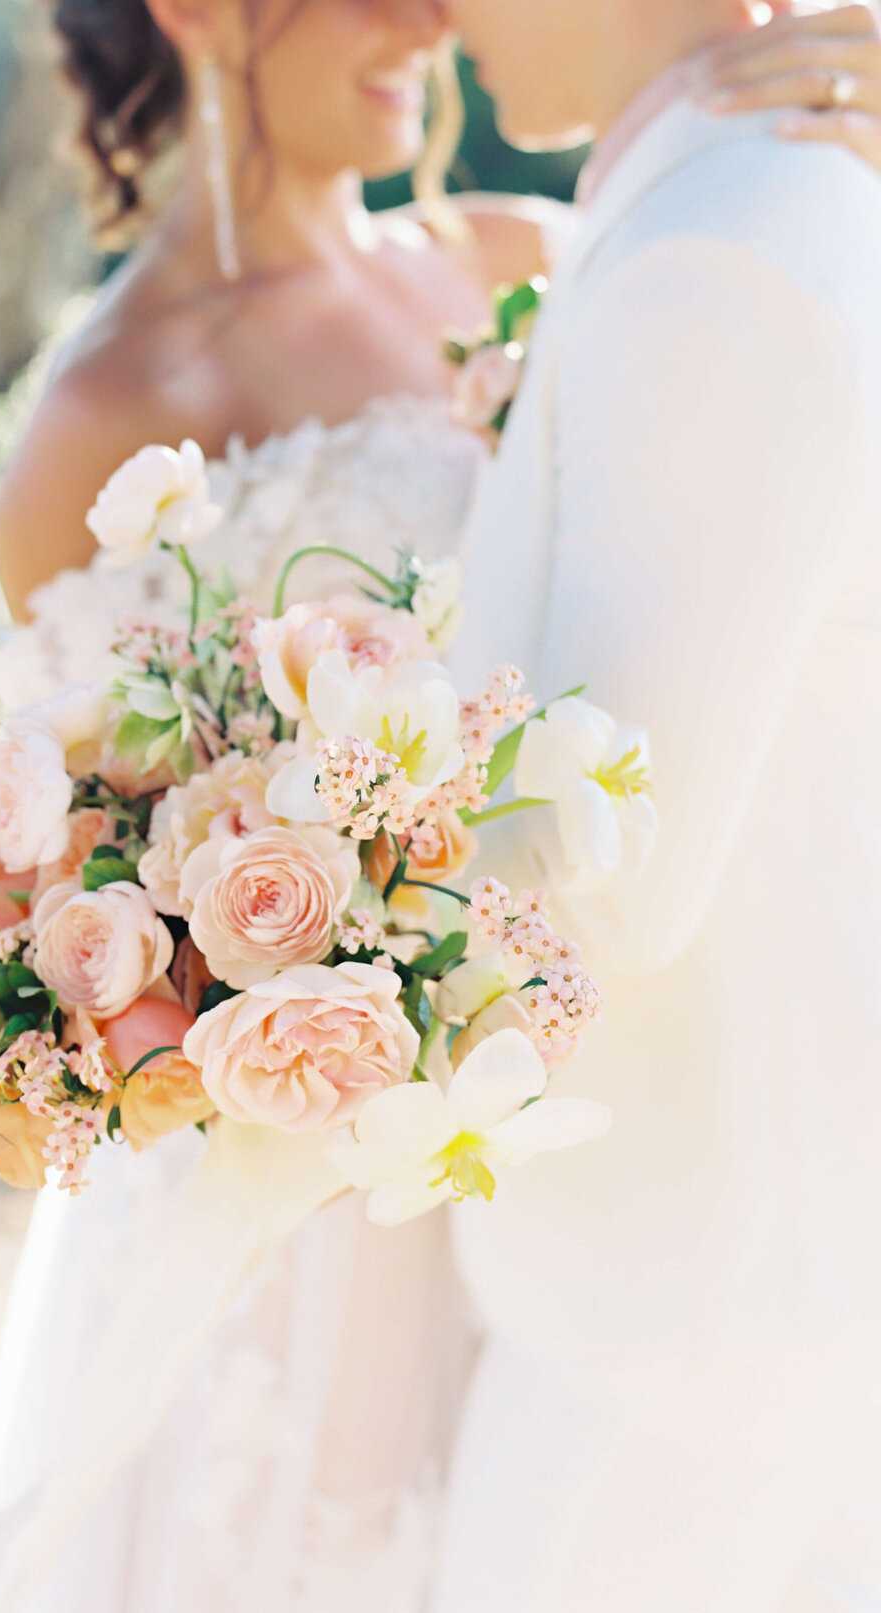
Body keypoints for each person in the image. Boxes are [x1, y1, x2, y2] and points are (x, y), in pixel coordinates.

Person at [0, 3, 881, 1612]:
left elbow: (768, 515)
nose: (428, 13)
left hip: (543, 1129)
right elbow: (51, 826)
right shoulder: (104, 412)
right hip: (296, 1179)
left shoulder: (524, 252)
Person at [440, 2, 881, 1610]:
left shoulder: (723, 252)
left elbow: (610, 858)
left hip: (691, 1331)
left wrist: (262, 904)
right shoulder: (725, 202)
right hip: (706, 1280)